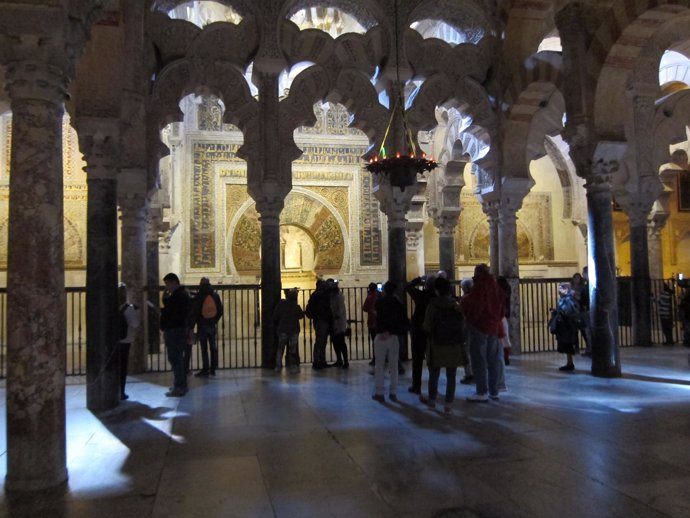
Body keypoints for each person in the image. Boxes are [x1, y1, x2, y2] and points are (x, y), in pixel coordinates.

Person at [421, 277, 466, 414]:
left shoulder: (432, 306)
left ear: (436, 290)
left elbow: (426, 326)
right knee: (451, 376)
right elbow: (462, 324)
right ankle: (448, 405)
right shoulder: (456, 305)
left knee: (434, 375)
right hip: (453, 345)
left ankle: (432, 402)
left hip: (436, 345)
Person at [460, 264, 504, 402]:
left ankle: (481, 391)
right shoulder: (496, 286)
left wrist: (470, 318)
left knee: (479, 361)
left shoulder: (480, 285)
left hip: (480, 327)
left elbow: (476, 305)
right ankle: (494, 391)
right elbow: (502, 305)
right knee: (493, 361)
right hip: (494, 327)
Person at [372, 281, 409, 403]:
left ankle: (379, 393)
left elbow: (378, 317)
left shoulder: (379, 302)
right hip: (393, 336)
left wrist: (383, 330)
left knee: (379, 366)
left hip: (380, 336)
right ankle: (393, 392)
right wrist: (392, 331)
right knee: (393, 366)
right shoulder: (398, 304)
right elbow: (403, 321)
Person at [160, 273, 193, 397]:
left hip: (175, 330)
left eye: (167, 284)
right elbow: (169, 306)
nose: (166, 287)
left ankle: (180, 387)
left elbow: (172, 312)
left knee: (176, 359)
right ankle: (179, 385)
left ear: (174, 282)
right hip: (175, 329)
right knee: (176, 358)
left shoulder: (179, 295)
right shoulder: (179, 294)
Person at [405, 275, 436, 394]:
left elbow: (408, 286)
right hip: (432, 331)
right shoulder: (437, 297)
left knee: (417, 360)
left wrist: (419, 279)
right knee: (433, 360)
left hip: (418, 329)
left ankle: (416, 386)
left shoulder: (421, 295)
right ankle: (433, 386)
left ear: (426, 285)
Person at [191, 277, 223, 377]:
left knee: (204, 348)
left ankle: (205, 369)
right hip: (211, 325)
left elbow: (195, 312)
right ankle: (213, 368)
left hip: (202, 325)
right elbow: (220, 310)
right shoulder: (215, 295)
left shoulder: (199, 296)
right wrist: (214, 320)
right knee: (213, 347)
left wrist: (192, 326)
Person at [550, 281, 580, 371]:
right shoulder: (567, 298)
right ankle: (569, 362)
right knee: (567, 344)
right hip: (566, 324)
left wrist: (558, 312)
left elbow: (568, 311)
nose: (559, 291)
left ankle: (570, 363)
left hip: (567, 325)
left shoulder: (568, 299)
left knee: (567, 343)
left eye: (561, 289)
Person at [117, 282, 140, 401]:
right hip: (125, 340)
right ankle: (121, 392)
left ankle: (114, 391)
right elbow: (135, 324)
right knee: (123, 366)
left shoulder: (111, 307)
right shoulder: (129, 309)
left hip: (114, 340)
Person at [273, 288, 305, 373]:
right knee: (293, 349)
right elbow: (301, 315)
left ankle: (278, 366)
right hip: (294, 330)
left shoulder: (281, 304)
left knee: (280, 348)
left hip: (283, 329)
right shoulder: (296, 306)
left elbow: (275, 316)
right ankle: (293, 366)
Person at [305, 279, 332, 369]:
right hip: (321, 320)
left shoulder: (317, 295)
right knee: (320, 341)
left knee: (322, 342)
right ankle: (317, 361)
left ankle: (321, 360)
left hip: (321, 320)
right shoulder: (319, 295)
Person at [327, 279, 349, 368]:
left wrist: (336, 316)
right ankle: (339, 360)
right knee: (335, 342)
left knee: (341, 342)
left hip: (338, 322)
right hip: (333, 322)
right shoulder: (332, 296)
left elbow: (339, 309)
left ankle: (345, 361)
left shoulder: (338, 296)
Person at [496, 276, 511, 391]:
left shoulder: (499, 294)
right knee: (505, 339)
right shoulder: (505, 292)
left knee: (503, 340)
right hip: (502, 319)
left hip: (499, 319)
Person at [459, 278, 474, 385]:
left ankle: (469, 374)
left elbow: (461, 314)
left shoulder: (465, 299)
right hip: (477, 327)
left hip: (467, 327)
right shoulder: (476, 297)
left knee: (466, 352)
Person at [362, 283, 380, 365]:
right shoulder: (380, 296)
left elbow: (365, 308)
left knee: (375, 341)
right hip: (381, 321)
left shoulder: (369, 298)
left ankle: (376, 358)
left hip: (372, 322)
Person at [579, 266, 592, 356]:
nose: (582, 275)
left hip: (587, 310)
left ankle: (591, 350)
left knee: (589, 331)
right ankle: (590, 349)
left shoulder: (589, 285)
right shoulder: (587, 284)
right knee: (587, 331)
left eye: (584, 273)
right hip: (587, 309)